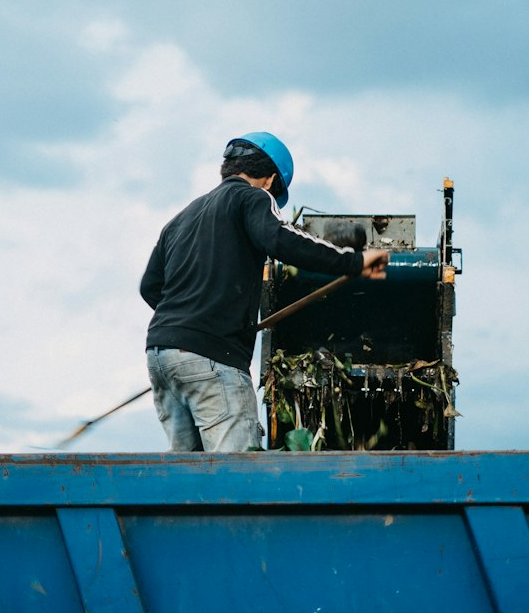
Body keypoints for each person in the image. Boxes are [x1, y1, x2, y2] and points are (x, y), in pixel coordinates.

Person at [140, 132, 388, 451]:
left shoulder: (180, 218)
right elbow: (280, 239)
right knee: (237, 476)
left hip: (162, 355)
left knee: (189, 480)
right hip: (213, 359)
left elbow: (150, 287)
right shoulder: (253, 197)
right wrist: (355, 262)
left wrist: (189, 319)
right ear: (270, 180)